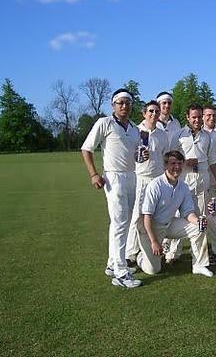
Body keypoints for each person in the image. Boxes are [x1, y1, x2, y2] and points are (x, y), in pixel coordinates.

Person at [81, 88, 142, 288]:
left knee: (123, 222)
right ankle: (121, 272)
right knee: (119, 223)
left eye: (127, 103)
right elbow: (86, 148)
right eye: (120, 103)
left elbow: (135, 155)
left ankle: (112, 264)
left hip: (131, 176)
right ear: (113, 105)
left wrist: (142, 156)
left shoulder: (134, 128)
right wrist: (93, 174)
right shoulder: (104, 123)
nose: (124, 106)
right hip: (113, 177)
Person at [136, 150, 213, 277]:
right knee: (153, 270)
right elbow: (147, 216)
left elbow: (188, 212)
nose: (176, 167)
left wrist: (198, 221)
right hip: (150, 228)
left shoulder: (183, 186)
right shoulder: (155, 185)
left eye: (179, 163)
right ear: (165, 166)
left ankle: (199, 265)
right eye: (172, 163)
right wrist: (154, 241)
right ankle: (141, 257)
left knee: (199, 228)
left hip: (169, 224)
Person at [164, 104, 216, 263]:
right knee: (179, 216)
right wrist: (184, 162)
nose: (197, 120)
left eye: (199, 116)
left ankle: (201, 259)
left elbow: (212, 160)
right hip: (183, 180)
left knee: (201, 218)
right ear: (187, 117)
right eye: (193, 117)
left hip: (202, 180)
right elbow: (169, 157)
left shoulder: (207, 136)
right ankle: (172, 254)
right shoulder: (179, 135)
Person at [125, 100, 169, 264]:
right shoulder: (136, 131)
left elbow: (165, 157)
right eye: (151, 111)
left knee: (156, 216)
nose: (154, 114)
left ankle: (156, 250)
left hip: (157, 179)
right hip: (140, 178)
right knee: (136, 216)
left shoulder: (162, 134)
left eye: (157, 112)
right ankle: (130, 254)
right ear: (144, 113)